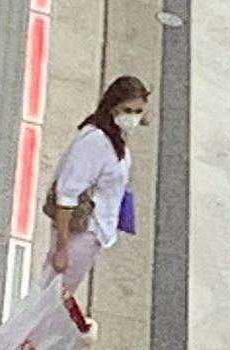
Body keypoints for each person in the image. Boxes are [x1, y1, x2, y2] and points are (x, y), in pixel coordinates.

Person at [42, 76, 150, 295]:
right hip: (81, 235)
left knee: (58, 298)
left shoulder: (113, 135)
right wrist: (62, 250)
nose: (133, 117)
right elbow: (67, 194)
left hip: (93, 233)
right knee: (54, 297)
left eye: (138, 111)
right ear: (113, 108)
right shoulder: (96, 142)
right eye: (128, 110)